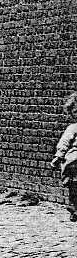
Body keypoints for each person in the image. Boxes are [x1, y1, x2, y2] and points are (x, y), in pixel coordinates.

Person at [51, 93, 77, 221]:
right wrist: (58, 156)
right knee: (73, 185)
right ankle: (74, 208)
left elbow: (64, 143)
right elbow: (64, 143)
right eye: (75, 112)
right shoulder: (73, 128)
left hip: (74, 161)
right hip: (74, 162)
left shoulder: (73, 127)